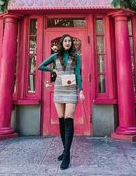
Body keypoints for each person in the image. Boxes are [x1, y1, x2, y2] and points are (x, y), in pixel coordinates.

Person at [38, 34, 85, 170]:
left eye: (69, 41)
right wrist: (52, 69)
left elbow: (78, 74)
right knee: (61, 120)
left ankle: (66, 156)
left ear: (71, 43)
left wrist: (80, 90)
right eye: (65, 41)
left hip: (71, 90)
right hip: (59, 89)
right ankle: (65, 151)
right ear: (61, 43)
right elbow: (40, 66)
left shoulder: (76, 57)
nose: (67, 43)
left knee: (68, 119)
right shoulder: (55, 56)